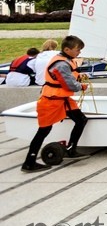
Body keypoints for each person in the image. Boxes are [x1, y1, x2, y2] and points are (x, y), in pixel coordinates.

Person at [21, 35, 90, 172]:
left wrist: (78, 77)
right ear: (67, 49)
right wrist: (81, 86)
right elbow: (70, 85)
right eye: (78, 50)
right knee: (43, 131)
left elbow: (68, 79)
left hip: (62, 100)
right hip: (51, 101)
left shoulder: (66, 60)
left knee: (81, 120)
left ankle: (71, 149)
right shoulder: (62, 64)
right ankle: (29, 162)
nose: (79, 52)